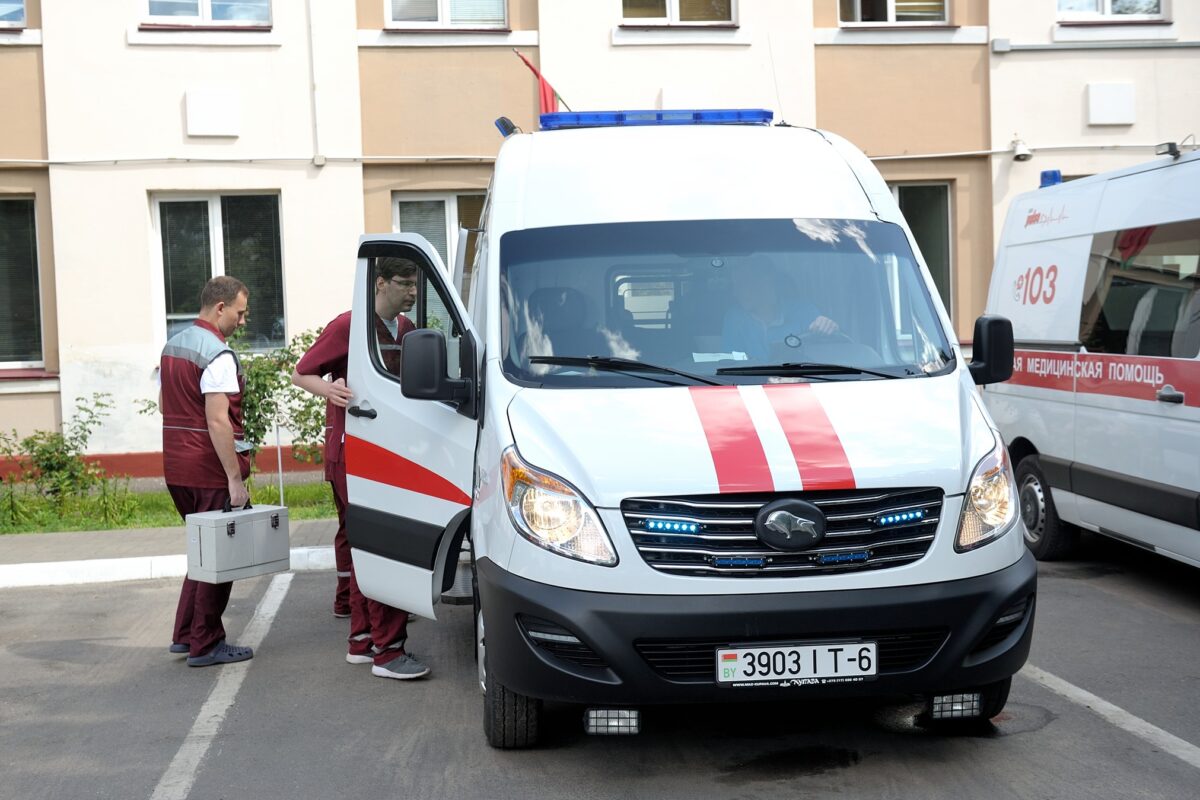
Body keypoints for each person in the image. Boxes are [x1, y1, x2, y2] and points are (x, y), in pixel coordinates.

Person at [291, 257, 430, 681]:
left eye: (415, 285)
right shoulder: (348, 325)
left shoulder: (405, 330)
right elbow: (302, 373)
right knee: (378, 545)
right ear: (380, 282)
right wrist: (328, 389)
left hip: (388, 453)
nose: (411, 292)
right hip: (352, 454)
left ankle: (362, 640)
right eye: (405, 284)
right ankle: (386, 651)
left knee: (365, 546)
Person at [160, 276, 255, 667]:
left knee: (201, 553)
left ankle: (185, 636)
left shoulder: (173, 345)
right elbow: (218, 422)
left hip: (175, 467)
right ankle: (207, 643)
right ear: (220, 309)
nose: (243, 321)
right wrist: (234, 479)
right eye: (240, 313)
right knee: (220, 557)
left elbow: (166, 406)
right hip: (208, 470)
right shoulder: (217, 354)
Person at [721, 256, 839, 361]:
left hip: (801, 379)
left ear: (765, 282)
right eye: (735, 285)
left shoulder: (804, 311)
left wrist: (827, 326)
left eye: (741, 284)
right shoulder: (734, 318)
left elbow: (829, 344)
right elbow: (733, 361)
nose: (735, 293)